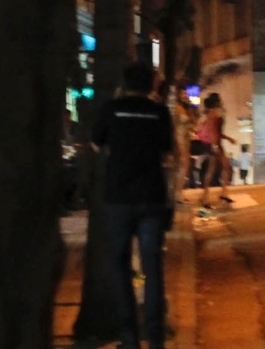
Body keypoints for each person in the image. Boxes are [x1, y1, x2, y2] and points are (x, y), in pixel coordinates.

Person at [92, 62, 176, 349]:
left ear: (124, 82)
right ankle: (155, 337)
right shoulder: (159, 113)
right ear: (152, 84)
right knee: (152, 267)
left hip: (118, 197)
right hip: (151, 196)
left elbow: (95, 143)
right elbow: (166, 150)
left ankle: (128, 339)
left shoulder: (111, 109)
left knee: (119, 266)